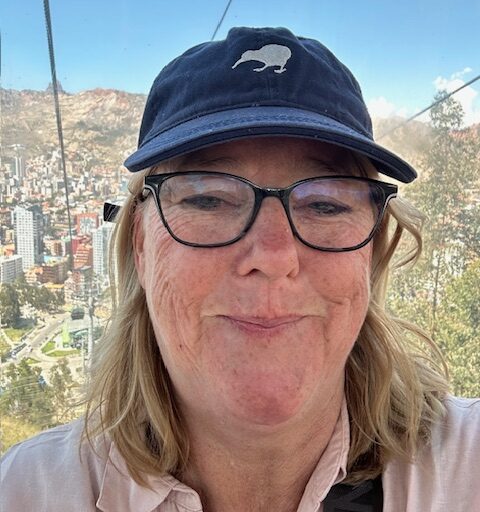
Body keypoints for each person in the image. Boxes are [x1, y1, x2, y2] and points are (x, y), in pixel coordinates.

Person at [1, 27, 479, 511]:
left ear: (371, 251)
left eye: (326, 204)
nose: (273, 257)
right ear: (141, 245)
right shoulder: (29, 492)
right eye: (208, 199)